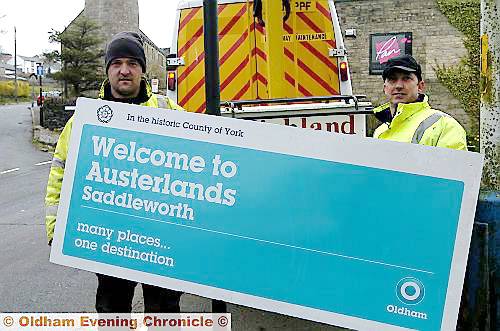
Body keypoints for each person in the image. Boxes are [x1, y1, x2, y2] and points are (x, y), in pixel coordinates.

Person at [45, 31, 183, 313]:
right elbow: (60, 171)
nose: (124, 70)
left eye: (132, 63)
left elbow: (203, 165)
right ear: (107, 69)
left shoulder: (169, 111)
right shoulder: (86, 119)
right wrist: (55, 228)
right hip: (110, 239)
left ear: (142, 70)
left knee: (165, 313)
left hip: (161, 239)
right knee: (112, 312)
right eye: (117, 63)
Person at [372, 55, 467, 150]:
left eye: (406, 78)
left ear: (420, 86)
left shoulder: (445, 125)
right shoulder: (380, 131)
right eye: (392, 79)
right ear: (385, 88)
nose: (399, 85)